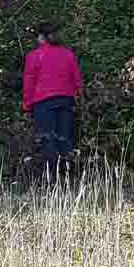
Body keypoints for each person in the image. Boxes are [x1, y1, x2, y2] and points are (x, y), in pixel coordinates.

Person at [22, 23, 83, 172]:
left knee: (47, 139)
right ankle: (69, 177)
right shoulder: (68, 54)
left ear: (42, 37)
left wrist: (27, 104)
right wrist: (78, 98)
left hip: (43, 102)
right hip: (66, 100)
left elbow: (29, 82)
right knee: (65, 138)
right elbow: (77, 81)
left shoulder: (33, 56)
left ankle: (52, 180)